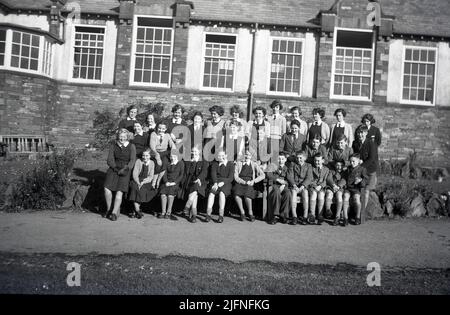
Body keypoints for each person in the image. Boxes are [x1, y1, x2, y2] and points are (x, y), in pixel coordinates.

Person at [104, 128, 136, 221]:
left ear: (127, 137)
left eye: (124, 137)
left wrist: (126, 169)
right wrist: (115, 168)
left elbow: (132, 160)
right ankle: (109, 209)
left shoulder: (131, 146)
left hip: (125, 170)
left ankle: (114, 212)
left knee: (119, 191)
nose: (122, 138)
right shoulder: (113, 145)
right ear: (118, 136)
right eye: (120, 137)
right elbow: (110, 159)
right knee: (107, 188)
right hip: (114, 169)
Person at [353, 125, 379, 221]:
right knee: (358, 191)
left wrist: (362, 165)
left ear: (366, 133)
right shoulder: (355, 143)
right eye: (359, 133)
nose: (360, 134)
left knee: (366, 191)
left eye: (362, 132)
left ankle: (361, 215)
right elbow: (355, 155)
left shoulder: (371, 144)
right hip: (360, 170)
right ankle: (356, 213)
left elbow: (372, 159)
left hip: (369, 170)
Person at [233, 150, 266, 222]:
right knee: (236, 195)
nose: (247, 156)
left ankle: (250, 213)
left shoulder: (254, 164)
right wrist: (243, 182)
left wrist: (253, 181)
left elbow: (263, 175)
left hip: (250, 182)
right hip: (240, 182)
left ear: (251, 156)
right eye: (245, 155)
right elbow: (235, 176)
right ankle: (242, 213)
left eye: (248, 155)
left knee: (247, 196)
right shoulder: (238, 163)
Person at [180, 147, 209, 223]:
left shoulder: (204, 161)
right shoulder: (189, 161)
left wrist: (199, 178)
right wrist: (192, 162)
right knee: (194, 194)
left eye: (195, 151)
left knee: (195, 189)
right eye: (192, 151)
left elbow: (204, 172)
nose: (193, 153)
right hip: (189, 181)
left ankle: (187, 207)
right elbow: (188, 173)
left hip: (200, 181)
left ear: (199, 152)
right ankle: (193, 215)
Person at [206, 150, 235, 223]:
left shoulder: (230, 164)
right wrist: (215, 183)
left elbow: (231, 178)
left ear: (226, 155)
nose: (220, 157)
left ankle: (221, 215)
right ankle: (208, 214)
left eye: (222, 155)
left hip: (226, 183)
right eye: (219, 156)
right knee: (211, 193)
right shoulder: (215, 164)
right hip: (216, 182)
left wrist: (223, 182)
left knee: (222, 193)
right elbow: (213, 174)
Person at [128, 149, 156, 219]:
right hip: (137, 179)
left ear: (150, 156)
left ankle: (135, 211)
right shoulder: (138, 161)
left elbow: (151, 176)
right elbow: (135, 173)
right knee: (135, 188)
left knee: (142, 190)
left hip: (146, 181)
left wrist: (143, 182)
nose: (145, 157)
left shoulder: (152, 163)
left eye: (147, 155)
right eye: (143, 155)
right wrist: (138, 182)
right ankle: (138, 210)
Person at [287, 151, 312, 225]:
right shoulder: (292, 165)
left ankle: (305, 216)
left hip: (303, 186)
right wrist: (294, 185)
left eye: (301, 158)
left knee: (305, 193)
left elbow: (309, 178)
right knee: (293, 193)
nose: (299, 159)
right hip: (295, 186)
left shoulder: (308, 166)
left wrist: (302, 186)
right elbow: (290, 176)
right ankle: (294, 216)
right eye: (297, 158)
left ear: (304, 158)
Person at [343, 154, 369, 226]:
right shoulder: (347, 169)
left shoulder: (362, 169)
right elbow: (344, 178)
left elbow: (366, 179)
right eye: (350, 161)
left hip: (356, 189)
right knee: (345, 197)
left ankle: (357, 217)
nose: (352, 163)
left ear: (358, 161)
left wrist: (361, 180)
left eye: (354, 161)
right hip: (348, 188)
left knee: (356, 199)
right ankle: (345, 218)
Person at [266, 153, 292, 225]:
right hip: (275, 185)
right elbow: (269, 174)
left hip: (284, 185)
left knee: (288, 193)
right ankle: (275, 215)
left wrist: (285, 183)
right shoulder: (272, 166)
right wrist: (277, 180)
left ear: (285, 160)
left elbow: (290, 178)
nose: (280, 161)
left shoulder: (287, 168)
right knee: (276, 192)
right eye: (279, 159)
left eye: (282, 159)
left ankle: (284, 215)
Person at [158, 152, 185, 220]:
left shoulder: (180, 163)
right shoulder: (168, 163)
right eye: (171, 156)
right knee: (163, 194)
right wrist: (166, 182)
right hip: (167, 182)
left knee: (170, 194)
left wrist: (174, 182)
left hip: (175, 183)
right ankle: (163, 212)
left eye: (174, 156)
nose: (172, 158)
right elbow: (164, 173)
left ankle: (168, 213)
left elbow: (181, 175)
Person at [307, 153, 330, 225]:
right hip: (312, 187)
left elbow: (326, 180)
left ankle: (320, 215)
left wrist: (320, 186)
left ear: (323, 161)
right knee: (313, 194)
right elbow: (309, 178)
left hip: (321, 187)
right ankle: (312, 215)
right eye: (315, 160)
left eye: (318, 160)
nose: (317, 162)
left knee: (321, 194)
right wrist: (314, 186)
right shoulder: (311, 168)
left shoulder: (326, 169)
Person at [325, 159, 347, 225]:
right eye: (337, 165)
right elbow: (329, 179)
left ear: (343, 166)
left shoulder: (345, 172)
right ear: (335, 165)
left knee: (339, 196)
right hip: (331, 187)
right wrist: (333, 185)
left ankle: (337, 217)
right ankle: (328, 210)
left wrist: (339, 186)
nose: (339, 167)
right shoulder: (331, 171)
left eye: (341, 165)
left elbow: (344, 180)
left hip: (339, 188)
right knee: (329, 194)